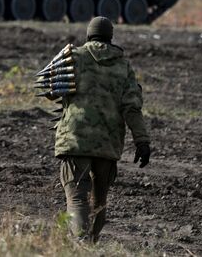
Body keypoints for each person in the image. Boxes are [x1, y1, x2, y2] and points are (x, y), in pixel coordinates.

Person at [54, 16, 151, 243]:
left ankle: (82, 244)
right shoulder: (123, 66)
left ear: (88, 35)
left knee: (77, 197)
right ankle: (91, 242)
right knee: (100, 201)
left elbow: (52, 91)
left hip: (75, 138)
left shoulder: (73, 57)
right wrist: (142, 141)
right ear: (110, 37)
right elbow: (132, 108)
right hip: (107, 142)